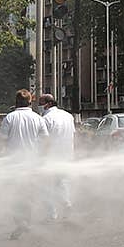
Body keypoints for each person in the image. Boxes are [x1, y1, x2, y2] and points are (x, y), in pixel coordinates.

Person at [0, 89, 49, 239]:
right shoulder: (38, 118)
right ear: (30, 102)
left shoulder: (9, 118)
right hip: (32, 162)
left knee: (15, 193)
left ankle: (20, 221)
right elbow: (46, 140)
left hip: (13, 163)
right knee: (28, 193)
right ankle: (26, 220)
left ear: (16, 102)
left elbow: (1, 140)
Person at [39, 93, 75, 222]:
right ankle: (66, 204)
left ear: (48, 104)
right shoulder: (68, 116)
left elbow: (44, 140)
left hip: (51, 157)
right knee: (62, 182)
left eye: (40, 103)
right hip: (67, 155)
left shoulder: (46, 118)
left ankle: (51, 214)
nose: (39, 106)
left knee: (45, 185)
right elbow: (73, 135)